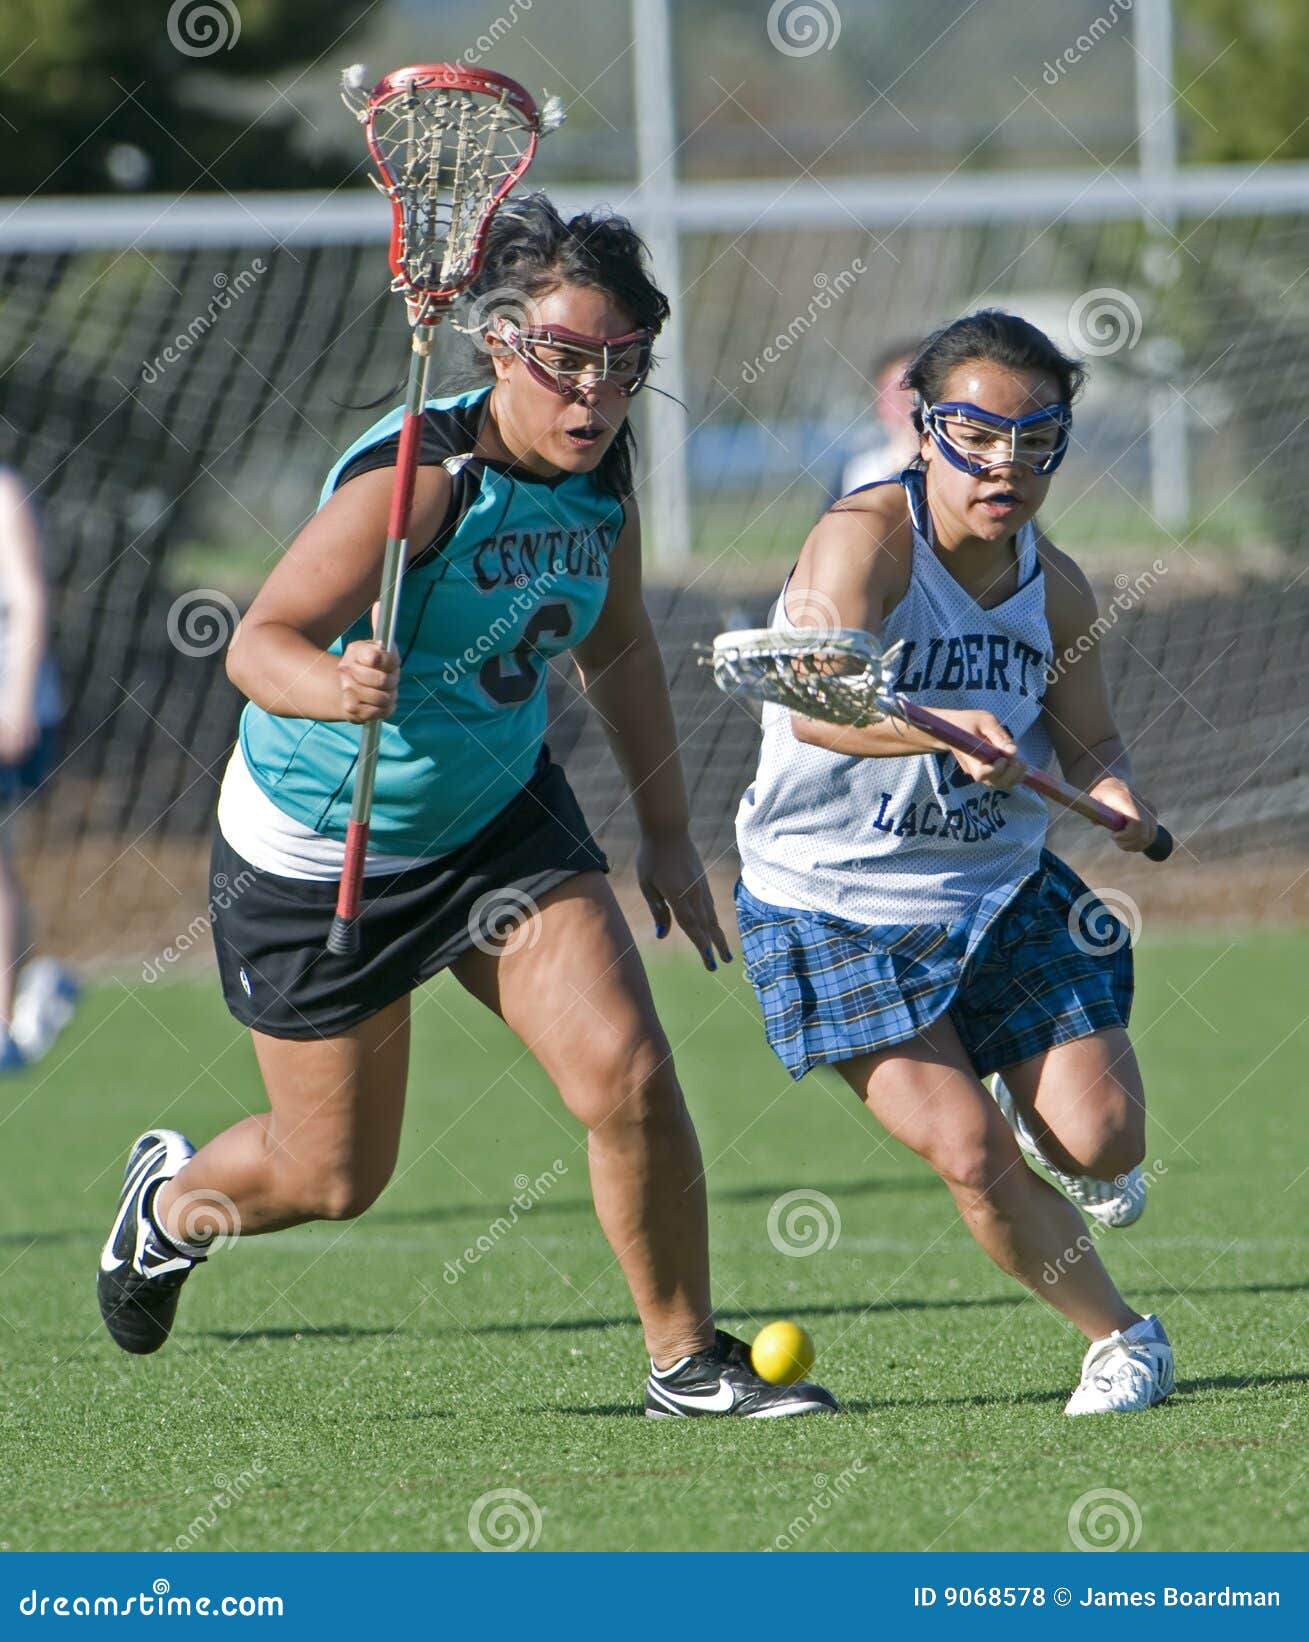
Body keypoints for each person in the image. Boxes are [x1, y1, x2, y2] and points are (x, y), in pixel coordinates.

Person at [95, 195, 836, 1420]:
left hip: (499, 824)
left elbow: (623, 647)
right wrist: (334, 684)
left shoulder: (603, 482)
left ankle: (684, 1362)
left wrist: (662, 831)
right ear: (498, 344)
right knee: (334, 1174)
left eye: (622, 365)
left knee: (630, 1074)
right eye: (564, 361)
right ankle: (170, 1206)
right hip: (317, 848)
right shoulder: (419, 488)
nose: (594, 395)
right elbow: (256, 644)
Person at [735, 308, 1174, 1415]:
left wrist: (1112, 788)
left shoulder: (1057, 585)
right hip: (828, 900)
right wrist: (938, 730)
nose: (1005, 464)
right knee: (969, 1152)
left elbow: (1091, 741)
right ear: (924, 433)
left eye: (1035, 439)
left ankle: (1048, 1115)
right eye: (974, 434)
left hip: (993, 885)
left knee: (1103, 1136)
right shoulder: (865, 540)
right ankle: (1123, 1338)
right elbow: (815, 698)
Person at [0, 469, 77, 1073]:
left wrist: (17, 701)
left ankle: (2, 1022)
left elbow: (28, 596)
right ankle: (32, 989)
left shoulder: (3, 492)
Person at [836, 340, 921, 498]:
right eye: (896, 395)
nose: (908, 404)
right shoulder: (859, 473)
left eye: (916, 393)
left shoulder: (956, 469)